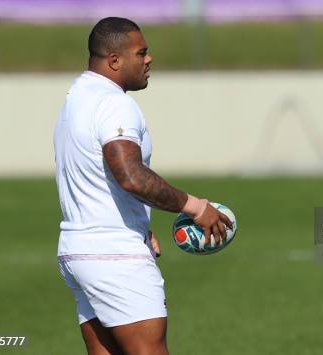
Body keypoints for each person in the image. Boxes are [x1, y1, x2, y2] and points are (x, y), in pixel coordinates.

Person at [54, 17, 232, 355]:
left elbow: (94, 174)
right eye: (142, 53)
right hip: (114, 256)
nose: (149, 60)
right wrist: (196, 207)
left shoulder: (76, 97)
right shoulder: (113, 103)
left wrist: (139, 223)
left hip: (79, 249)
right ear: (115, 60)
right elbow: (130, 175)